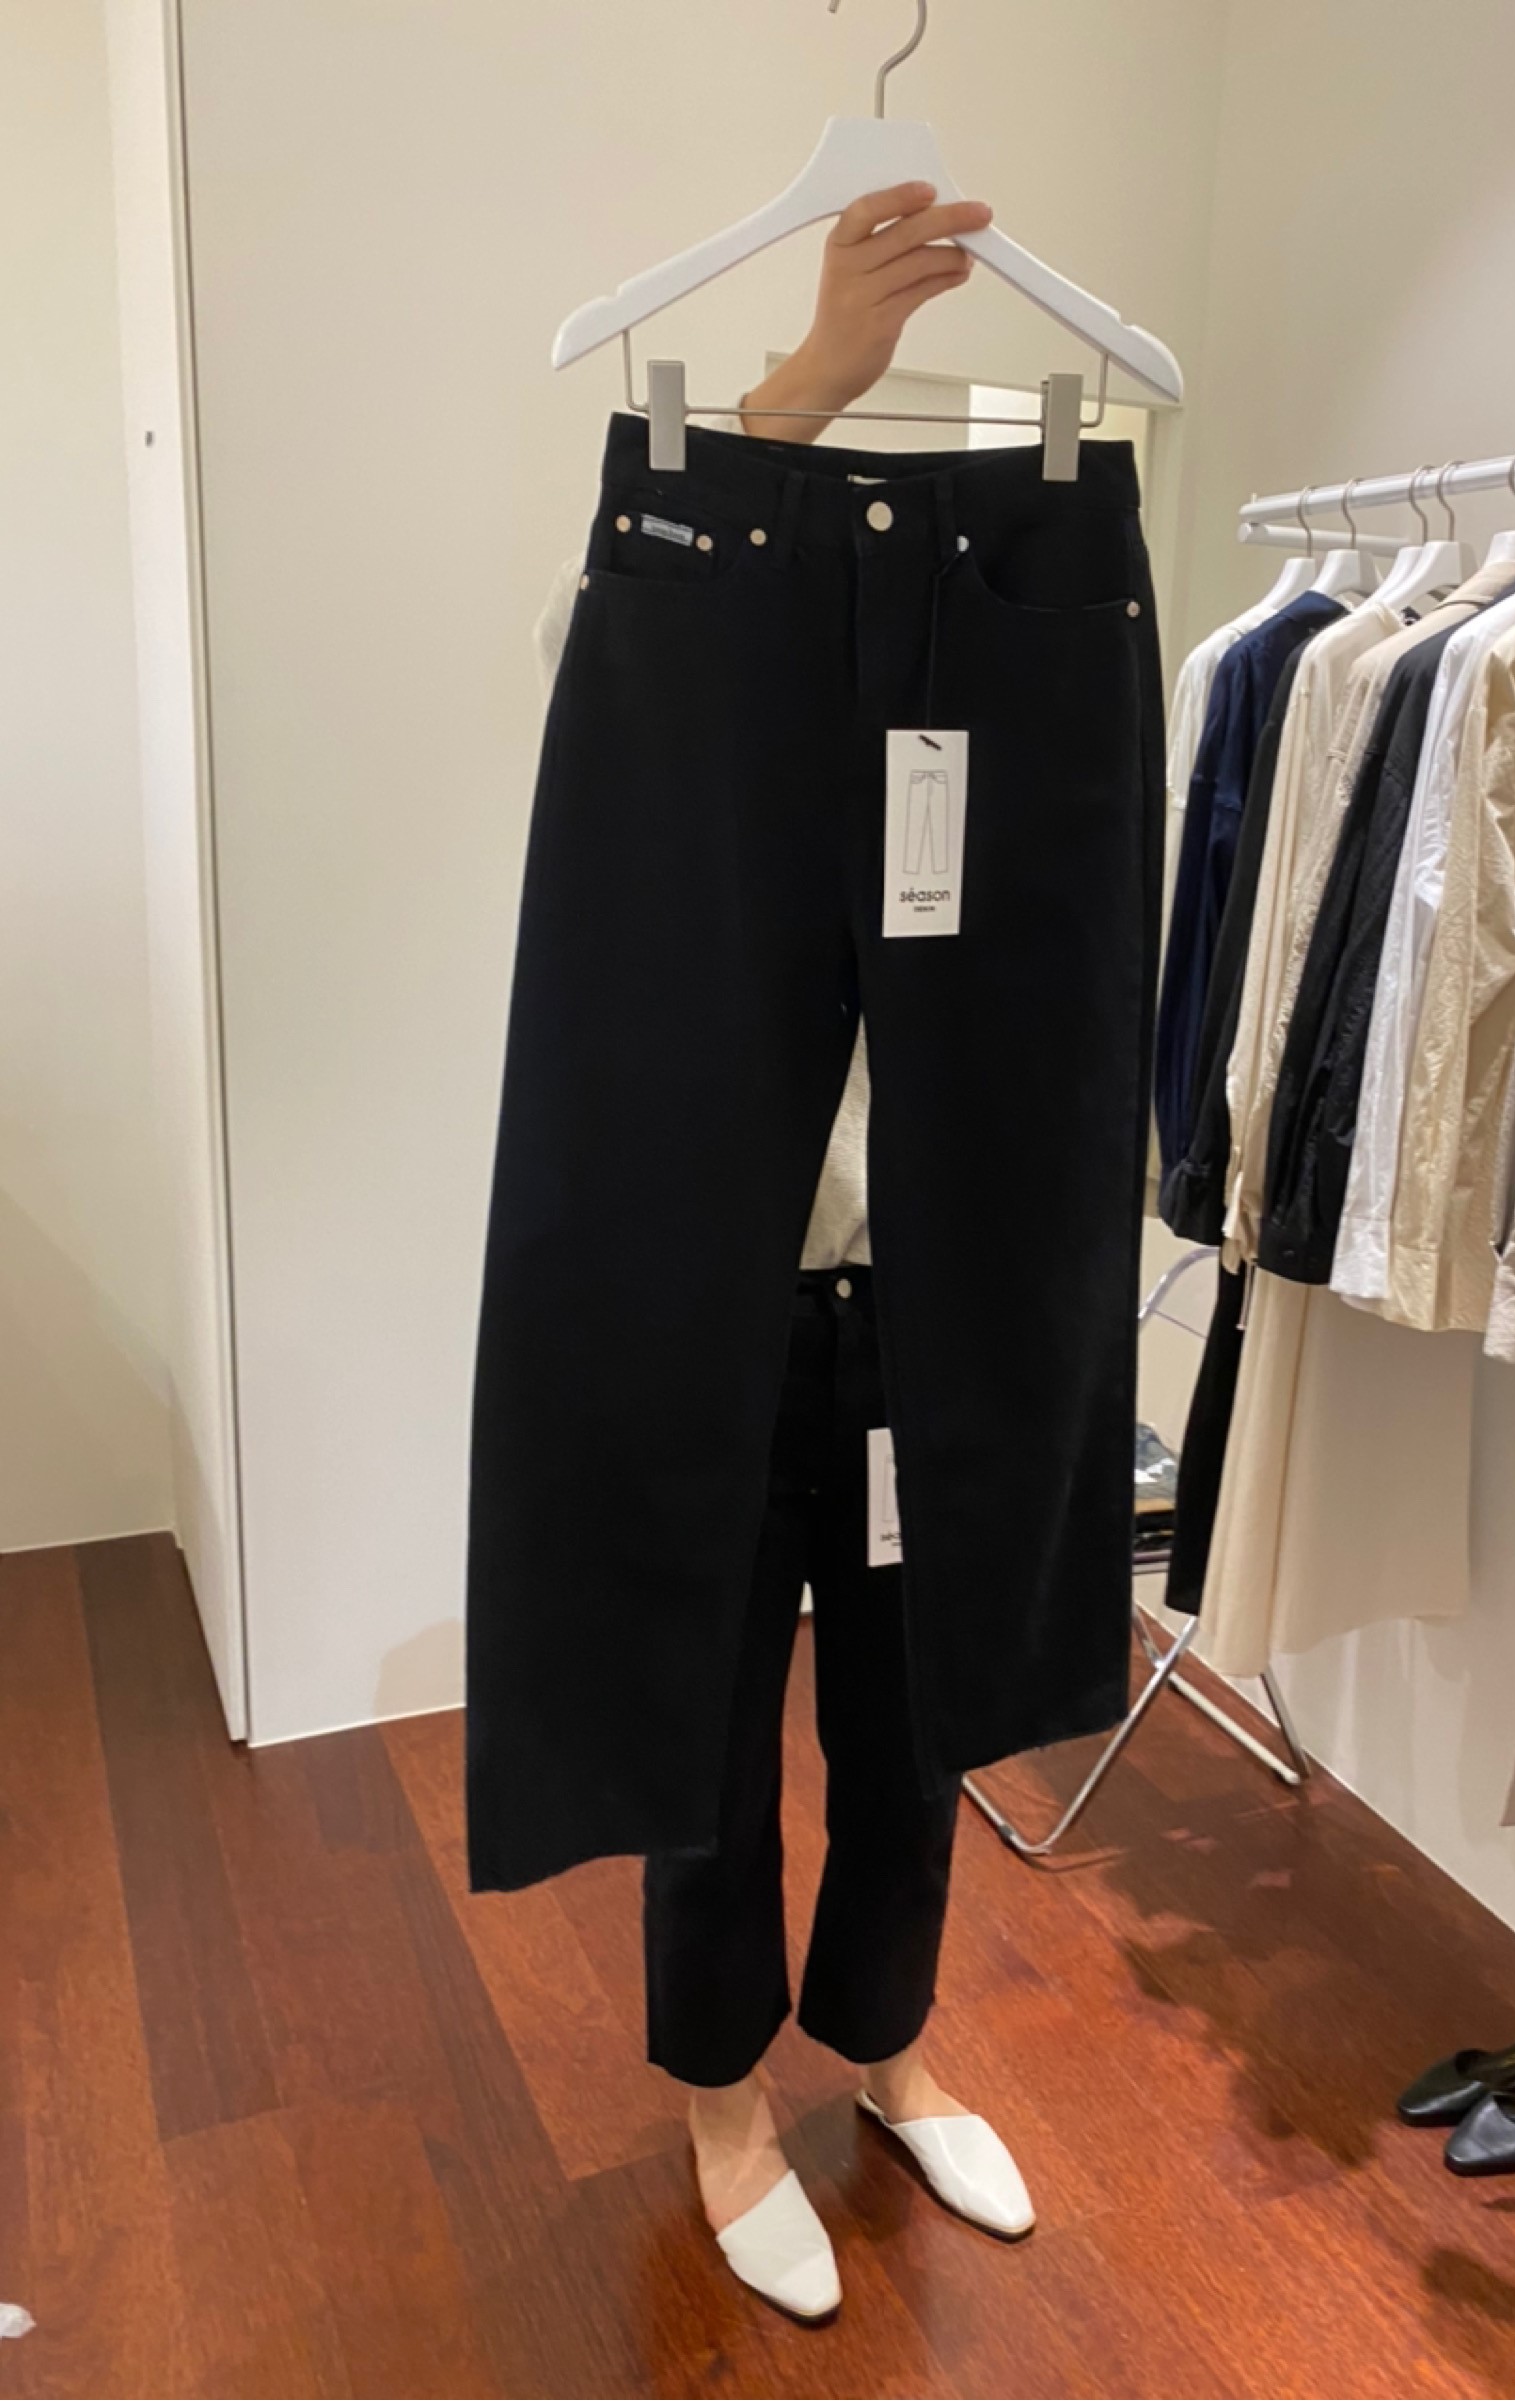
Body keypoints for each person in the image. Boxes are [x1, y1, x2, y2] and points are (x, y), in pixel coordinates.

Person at [602, 182, 1037, 2319]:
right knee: (704, 1740)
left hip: (914, 1311)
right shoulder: (664, 675)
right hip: (723, 1311)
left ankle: (887, 2042)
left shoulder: (993, 709)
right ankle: (719, 2100)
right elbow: (623, 662)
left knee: (908, 1721)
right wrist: (805, 388)